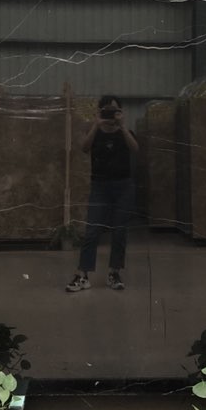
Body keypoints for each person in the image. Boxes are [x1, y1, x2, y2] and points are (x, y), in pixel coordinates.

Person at [66, 95, 139, 292]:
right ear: (99, 111)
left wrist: (122, 126)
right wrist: (96, 124)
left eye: (114, 110)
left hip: (123, 187)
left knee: (119, 231)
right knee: (92, 231)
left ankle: (114, 272)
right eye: (106, 110)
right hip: (100, 187)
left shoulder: (125, 132)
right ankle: (83, 275)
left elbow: (135, 148)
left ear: (120, 112)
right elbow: (84, 148)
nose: (110, 114)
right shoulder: (95, 132)